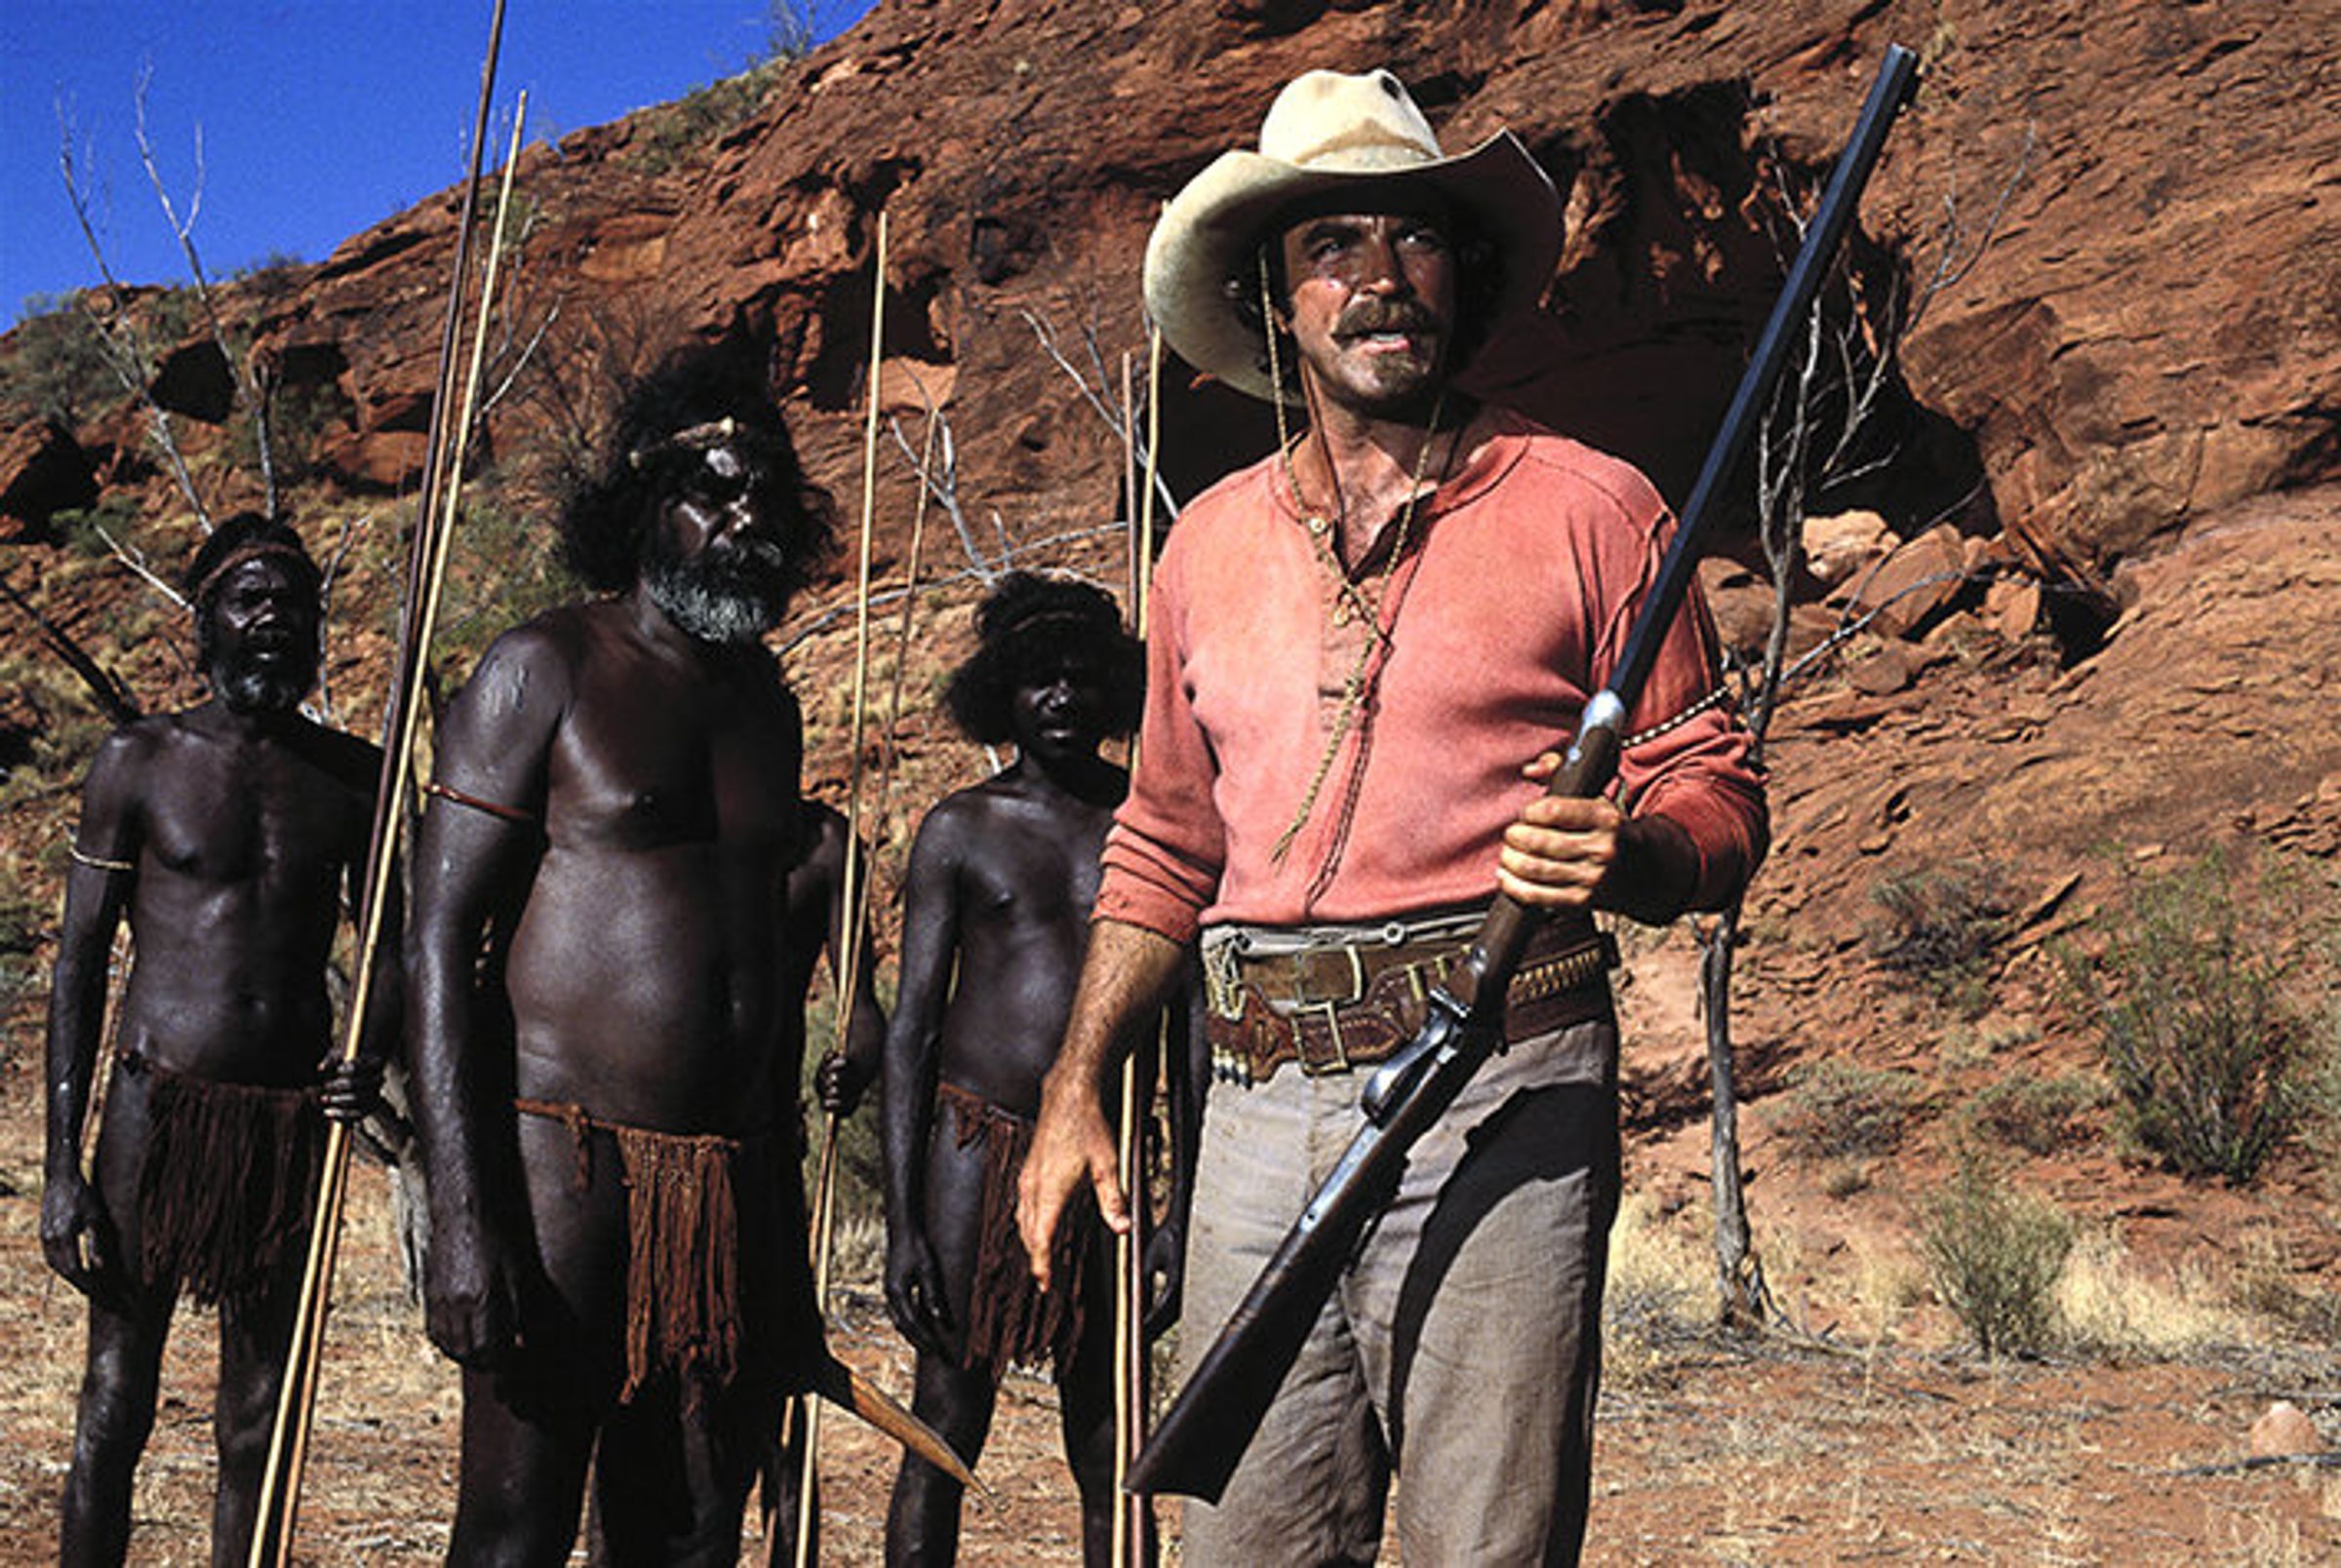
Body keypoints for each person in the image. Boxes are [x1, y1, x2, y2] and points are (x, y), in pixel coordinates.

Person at [1016, 68, 1769, 1564]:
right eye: (1332, 244)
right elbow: (1163, 849)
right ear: (1273, 298)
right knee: (1246, 1543)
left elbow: (1714, 785)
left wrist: (1635, 854)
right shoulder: (1203, 547)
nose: (1380, 277)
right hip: (1252, 1111)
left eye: (1414, 237)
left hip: (1504, 1084)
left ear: (1462, 273)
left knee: (1485, 1543)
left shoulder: (1594, 505)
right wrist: (1074, 1083)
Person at [407, 340, 839, 1563]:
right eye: (712, 490)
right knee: (515, 1530)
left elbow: (770, 979)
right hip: (563, 1167)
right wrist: (463, 1217)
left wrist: (781, 1241)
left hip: (723, 1184)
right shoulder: (543, 666)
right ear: (644, 505)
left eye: (767, 495)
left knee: (682, 1530)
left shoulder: (767, 705)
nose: (744, 517)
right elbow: (437, 942)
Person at [42, 512, 396, 1566]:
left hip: (288, 1124)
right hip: (154, 1112)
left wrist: (367, 1055)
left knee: (257, 1416)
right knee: (117, 1398)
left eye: (294, 602)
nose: (273, 617)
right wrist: (61, 1170)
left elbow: (397, 946)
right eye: (249, 599)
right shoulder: (139, 761)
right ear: (205, 623)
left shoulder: (355, 778)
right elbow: (77, 964)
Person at [880, 573, 1194, 1566]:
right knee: (944, 1422)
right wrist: (903, 1222)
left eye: (1081, 677)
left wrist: (1180, 1212)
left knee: (1110, 1434)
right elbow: (912, 1031)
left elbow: (1187, 1037)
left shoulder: (1155, 826)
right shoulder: (961, 829)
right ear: (1000, 693)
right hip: (974, 1149)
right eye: (1037, 679)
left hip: (1106, 1158)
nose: (1062, 698)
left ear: (1115, 689)